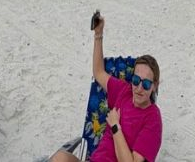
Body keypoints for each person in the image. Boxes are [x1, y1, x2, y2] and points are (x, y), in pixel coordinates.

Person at [49, 14, 162, 162]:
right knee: (60, 158)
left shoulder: (152, 118)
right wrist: (98, 34)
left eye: (146, 84)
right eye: (135, 80)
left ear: (154, 86)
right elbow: (98, 72)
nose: (139, 88)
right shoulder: (124, 91)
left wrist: (115, 126)